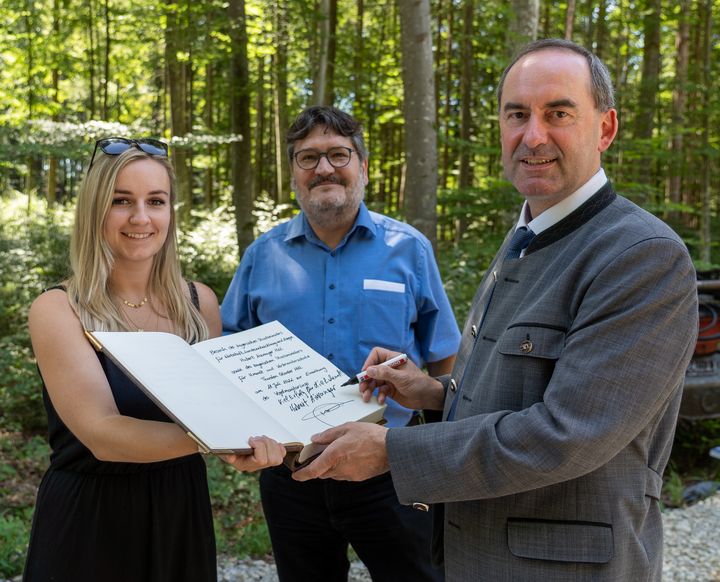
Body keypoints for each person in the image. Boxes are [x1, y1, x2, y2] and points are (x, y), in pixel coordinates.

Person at [292, 39, 699, 581]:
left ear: (605, 128)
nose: (533, 136)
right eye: (517, 115)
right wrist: (432, 394)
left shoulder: (640, 255)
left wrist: (395, 450)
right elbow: (519, 390)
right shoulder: (526, 237)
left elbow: (568, 435)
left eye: (558, 113)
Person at [23, 138, 285, 582]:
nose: (141, 217)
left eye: (156, 201)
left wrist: (265, 439)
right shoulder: (58, 308)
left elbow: (218, 411)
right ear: (94, 210)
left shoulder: (198, 303)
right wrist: (225, 437)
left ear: (171, 213)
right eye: (121, 201)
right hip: (90, 519)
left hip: (179, 511)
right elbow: (103, 434)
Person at [221, 106, 461, 581]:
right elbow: (229, 356)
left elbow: (443, 358)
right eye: (308, 158)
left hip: (390, 470)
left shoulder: (408, 249)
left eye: (338, 154)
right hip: (293, 473)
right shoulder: (261, 257)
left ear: (363, 166)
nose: (324, 168)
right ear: (293, 172)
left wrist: (433, 446)